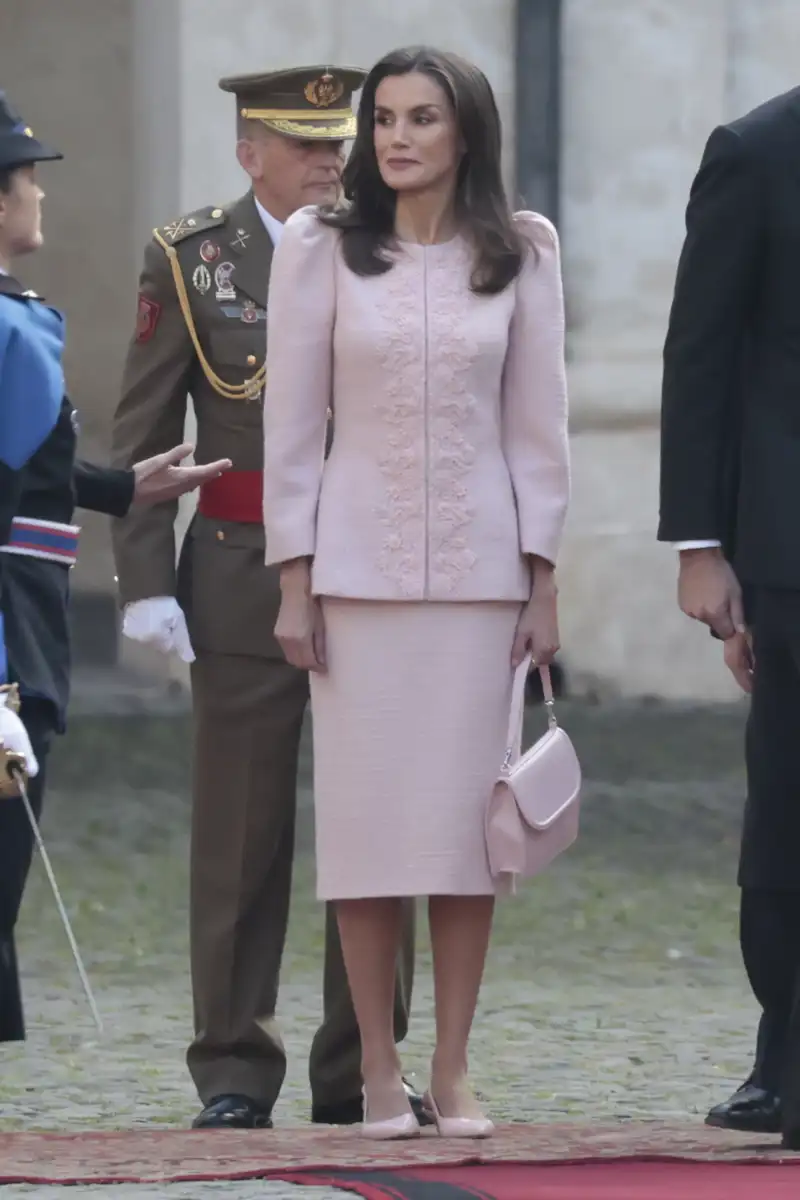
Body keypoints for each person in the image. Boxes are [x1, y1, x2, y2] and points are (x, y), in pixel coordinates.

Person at [262, 46, 570, 1140]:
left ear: (464, 132)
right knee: (366, 836)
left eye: (420, 118)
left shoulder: (520, 252)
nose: (394, 137)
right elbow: (291, 430)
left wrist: (541, 580)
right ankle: (379, 1074)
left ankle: (451, 1069)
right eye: (381, 118)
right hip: (353, 582)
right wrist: (294, 584)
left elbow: (539, 430)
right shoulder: (319, 251)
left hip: (482, 585)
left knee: (462, 840)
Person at [110, 65, 425, 1131]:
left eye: (335, 139)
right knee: (241, 838)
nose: (329, 158)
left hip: (375, 569)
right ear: (250, 152)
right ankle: (235, 1065)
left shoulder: (388, 243)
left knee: (383, 831)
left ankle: (362, 1064)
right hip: (242, 569)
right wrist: (146, 581)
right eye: (301, 143)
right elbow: (148, 428)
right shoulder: (195, 258)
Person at [0, 91, 230, 1043]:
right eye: (23, 179)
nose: (38, 197)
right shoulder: (9, 334)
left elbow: (24, 472)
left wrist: (113, 490)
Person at [658, 84, 800, 1151]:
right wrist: (699, 544)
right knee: (791, 808)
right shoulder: (754, 152)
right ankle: (786, 1053)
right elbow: (698, 351)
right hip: (790, 543)